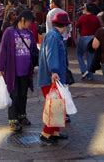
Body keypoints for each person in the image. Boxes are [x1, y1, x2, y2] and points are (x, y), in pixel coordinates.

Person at [0, 11, 37, 132]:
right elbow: (2, 50)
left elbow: (34, 50)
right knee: (14, 95)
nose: (30, 24)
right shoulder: (9, 32)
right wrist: (0, 68)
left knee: (23, 95)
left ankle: (22, 116)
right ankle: (13, 120)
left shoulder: (29, 34)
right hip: (12, 70)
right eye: (29, 21)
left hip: (26, 70)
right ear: (23, 19)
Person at [38, 12, 71, 145]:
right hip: (51, 78)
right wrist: (54, 71)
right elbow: (51, 55)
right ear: (64, 25)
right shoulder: (54, 36)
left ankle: (55, 132)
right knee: (55, 106)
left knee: (56, 105)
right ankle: (45, 134)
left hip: (52, 77)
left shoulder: (52, 35)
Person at [75, 3, 101, 81]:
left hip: (83, 38)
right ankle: (90, 76)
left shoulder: (82, 18)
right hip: (93, 38)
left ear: (87, 9)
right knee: (90, 57)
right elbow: (99, 28)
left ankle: (84, 70)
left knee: (79, 55)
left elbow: (77, 26)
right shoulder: (96, 18)